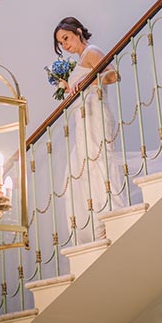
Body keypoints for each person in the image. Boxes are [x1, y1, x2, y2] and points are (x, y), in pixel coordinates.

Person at [52, 17, 123, 240]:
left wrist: (86, 83)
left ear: (78, 31)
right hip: (83, 118)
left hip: (96, 113)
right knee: (82, 168)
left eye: (66, 38)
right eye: (61, 43)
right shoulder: (80, 60)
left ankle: (112, 216)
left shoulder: (92, 51)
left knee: (99, 161)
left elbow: (113, 75)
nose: (65, 45)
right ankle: (100, 221)